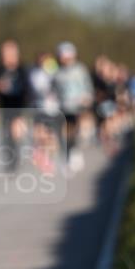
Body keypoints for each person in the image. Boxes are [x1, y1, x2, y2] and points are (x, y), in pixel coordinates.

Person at [52, 41, 93, 172]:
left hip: (79, 106)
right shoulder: (57, 73)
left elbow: (87, 86)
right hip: (64, 107)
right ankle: (68, 153)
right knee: (66, 131)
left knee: (78, 130)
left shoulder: (80, 70)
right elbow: (54, 90)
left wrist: (87, 98)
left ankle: (75, 150)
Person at [0, 40, 30, 171]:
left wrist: (23, 113)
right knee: (7, 135)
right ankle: (10, 160)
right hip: (4, 108)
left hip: (19, 107)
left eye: (9, 52)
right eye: (4, 52)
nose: (6, 55)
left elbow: (28, 91)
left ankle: (16, 160)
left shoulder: (23, 70)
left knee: (16, 134)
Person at [28, 52, 61, 175]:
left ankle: (49, 161)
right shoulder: (36, 74)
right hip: (40, 109)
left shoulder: (55, 72)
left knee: (52, 139)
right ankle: (39, 155)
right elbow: (38, 89)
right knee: (40, 135)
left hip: (54, 110)